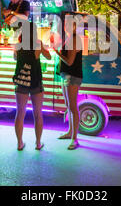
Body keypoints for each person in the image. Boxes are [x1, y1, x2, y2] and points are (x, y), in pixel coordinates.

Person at [13, 21, 51, 151]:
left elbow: (15, 58)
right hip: (35, 81)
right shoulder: (38, 43)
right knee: (37, 113)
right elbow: (49, 56)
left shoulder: (18, 44)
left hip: (21, 81)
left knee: (20, 113)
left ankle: (19, 143)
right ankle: (38, 143)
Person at [53, 22, 83, 150]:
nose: (67, 27)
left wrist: (57, 52)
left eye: (70, 25)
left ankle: (75, 139)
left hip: (72, 76)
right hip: (66, 75)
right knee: (68, 105)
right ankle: (70, 132)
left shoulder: (75, 39)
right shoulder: (70, 38)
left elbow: (70, 61)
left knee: (73, 106)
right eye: (66, 25)